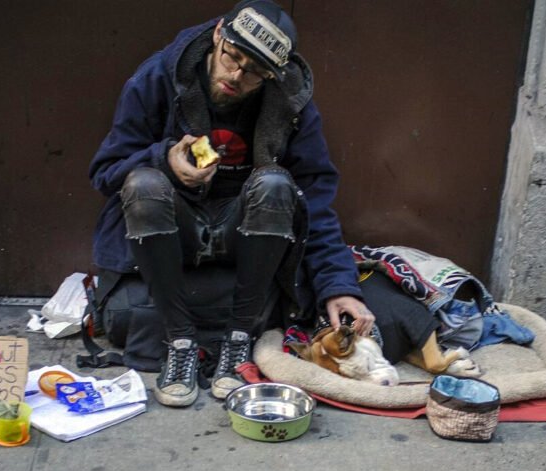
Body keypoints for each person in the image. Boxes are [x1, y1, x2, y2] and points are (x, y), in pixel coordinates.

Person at [89, 0, 374, 407]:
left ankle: (237, 342)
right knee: (144, 181)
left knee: (277, 184)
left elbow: (313, 203)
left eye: (255, 73)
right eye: (232, 58)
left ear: (274, 75)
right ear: (219, 34)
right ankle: (180, 343)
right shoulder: (158, 77)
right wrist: (164, 159)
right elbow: (106, 172)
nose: (236, 77)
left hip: (244, 235)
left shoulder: (289, 104)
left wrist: (338, 286)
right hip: (175, 229)